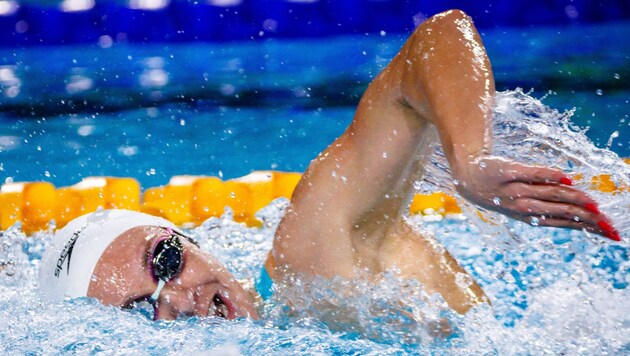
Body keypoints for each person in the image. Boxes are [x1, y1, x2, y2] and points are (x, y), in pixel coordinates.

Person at [39, 9, 619, 322]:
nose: (178, 297)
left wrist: (471, 160)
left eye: (164, 260)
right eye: (144, 313)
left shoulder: (310, 258)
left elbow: (439, 38)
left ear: (189, 239)